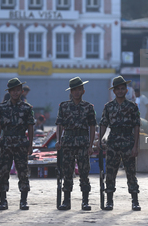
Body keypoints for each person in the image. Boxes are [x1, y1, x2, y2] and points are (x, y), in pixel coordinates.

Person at [97, 76, 141, 211]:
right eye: (118, 89)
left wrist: (135, 146)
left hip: (128, 141)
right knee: (110, 172)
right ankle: (109, 201)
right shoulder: (108, 107)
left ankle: (135, 201)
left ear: (126, 90)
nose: (120, 91)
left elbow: (137, 127)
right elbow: (103, 124)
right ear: (114, 91)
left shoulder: (132, 106)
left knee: (131, 172)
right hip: (113, 142)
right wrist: (99, 140)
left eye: (123, 89)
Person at [55, 77, 96, 211]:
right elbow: (59, 125)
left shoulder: (88, 107)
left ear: (83, 91)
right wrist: (58, 141)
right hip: (68, 143)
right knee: (67, 172)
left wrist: (91, 145)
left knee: (84, 172)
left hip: (83, 143)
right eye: (74, 90)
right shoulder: (64, 106)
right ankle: (66, 201)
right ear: (71, 92)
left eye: (79, 89)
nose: (76, 92)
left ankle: (85, 201)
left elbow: (92, 126)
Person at [0, 78, 35, 210]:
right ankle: (3, 201)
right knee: (3, 172)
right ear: (9, 92)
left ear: (21, 91)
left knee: (23, 172)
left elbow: (30, 127)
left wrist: (30, 144)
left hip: (21, 144)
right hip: (6, 143)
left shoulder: (27, 108)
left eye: (18, 90)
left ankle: (23, 201)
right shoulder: (2, 107)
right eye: (13, 90)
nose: (16, 93)